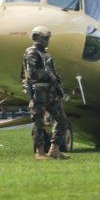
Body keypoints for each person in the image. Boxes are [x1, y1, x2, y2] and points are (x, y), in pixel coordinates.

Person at [21, 26, 71, 160]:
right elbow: (32, 74)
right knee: (38, 122)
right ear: (36, 38)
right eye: (44, 38)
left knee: (62, 120)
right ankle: (40, 152)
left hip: (51, 92)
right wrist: (50, 75)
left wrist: (57, 84)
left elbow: (51, 72)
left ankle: (54, 149)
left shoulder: (46, 53)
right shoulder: (31, 53)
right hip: (39, 92)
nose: (47, 41)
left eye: (48, 38)